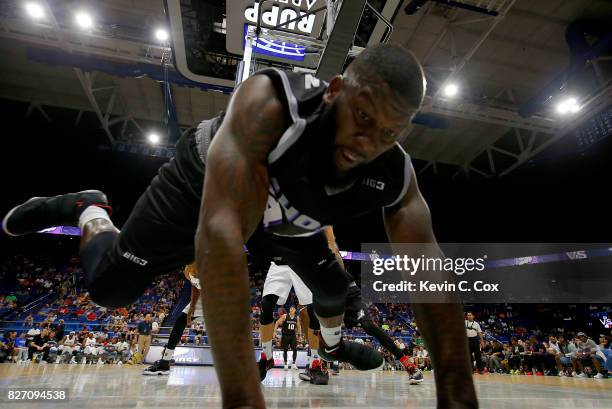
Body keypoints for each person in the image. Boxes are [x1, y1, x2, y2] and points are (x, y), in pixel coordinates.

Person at [2, 43, 476, 408]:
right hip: (206, 184)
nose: (365, 142)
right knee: (110, 288)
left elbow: (429, 273)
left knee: (336, 291)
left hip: (289, 222)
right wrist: (244, 398)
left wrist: (457, 392)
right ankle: (89, 210)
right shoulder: (271, 103)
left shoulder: (395, 174)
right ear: (335, 90)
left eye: (388, 133)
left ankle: (331, 347)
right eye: (363, 115)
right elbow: (221, 236)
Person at [143, 264, 202, 375]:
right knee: (180, 321)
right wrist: (192, 306)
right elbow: (196, 286)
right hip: (204, 295)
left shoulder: (203, 262)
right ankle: (165, 362)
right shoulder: (188, 269)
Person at [274, 305, 302, 371]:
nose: (292, 309)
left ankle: (293, 364)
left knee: (295, 349)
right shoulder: (285, 316)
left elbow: (299, 326)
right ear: (289, 310)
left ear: (295, 310)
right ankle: (285, 364)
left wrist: (299, 335)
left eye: (293, 308)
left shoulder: (296, 317)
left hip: (292, 335)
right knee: (285, 350)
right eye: (290, 308)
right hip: (285, 335)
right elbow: (277, 322)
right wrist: (275, 331)